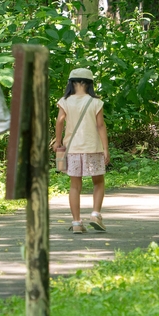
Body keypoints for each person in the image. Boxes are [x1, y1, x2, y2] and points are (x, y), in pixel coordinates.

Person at [53, 68, 110, 233]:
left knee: (75, 186)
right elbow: (100, 126)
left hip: (73, 149)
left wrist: (58, 141)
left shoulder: (65, 101)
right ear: (90, 84)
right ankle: (95, 214)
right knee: (98, 182)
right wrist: (106, 148)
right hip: (93, 148)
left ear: (71, 83)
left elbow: (59, 121)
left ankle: (77, 222)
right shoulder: (95, 102)